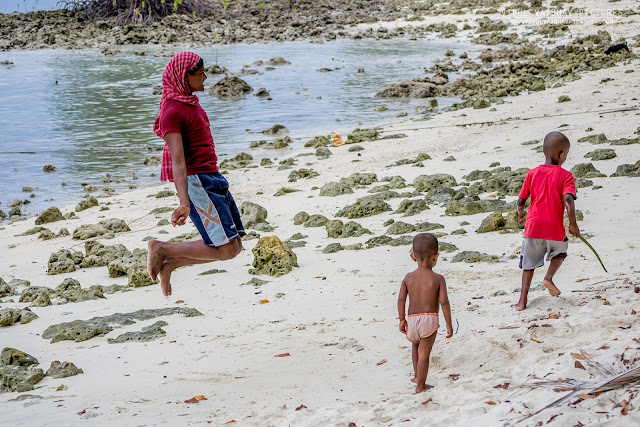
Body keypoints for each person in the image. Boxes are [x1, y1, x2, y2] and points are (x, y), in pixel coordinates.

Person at [147, 52, 245, 296]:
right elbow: (178, 162)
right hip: (198, 182)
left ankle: (172, 262)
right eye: (200, 72)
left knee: (236, 246)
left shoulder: (190, 102)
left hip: (212, 176)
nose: (205, 76)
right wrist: (183, 202)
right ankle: (162, 249)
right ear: (184, 76)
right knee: (226, 249)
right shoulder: (171, 111)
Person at [515, 131, 580, 311]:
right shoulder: (566, 176)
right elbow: (568, 200)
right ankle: (549, 277)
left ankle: (522, 301)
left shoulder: (532, 173)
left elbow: (521, 201)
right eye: (566, 153)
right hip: (553, 228)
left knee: (528, 265)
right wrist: (573, 223)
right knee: (560, 252)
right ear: (561, 154)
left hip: (533, 227)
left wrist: (521, 214)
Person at [397, 233, 453, 393]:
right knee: (424, 354)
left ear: (412, 257)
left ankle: (416, 376)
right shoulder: (438, 279)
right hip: (429, 319)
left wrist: (402, 319)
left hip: (412, 319)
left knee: (415, 348)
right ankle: (421, 385)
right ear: (436, 257)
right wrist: (448, 323)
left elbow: (401, 300)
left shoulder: (408, 278)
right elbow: (444, 303)